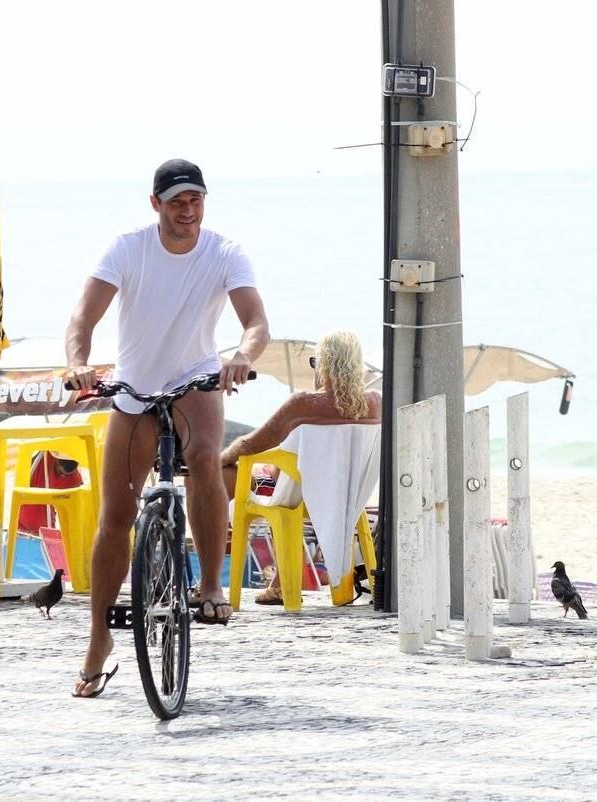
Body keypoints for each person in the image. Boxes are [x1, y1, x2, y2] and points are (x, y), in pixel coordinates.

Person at [64, 158, 270, 698]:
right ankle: (98, 639)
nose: (187, 209)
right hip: (133, 387)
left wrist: (241, 358)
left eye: (195, 199)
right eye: (176, 200)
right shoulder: (127, 249)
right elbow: (83, 318)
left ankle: (208, 585)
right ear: (155, 204)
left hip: (196, 379)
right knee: (115, 516)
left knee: (205, 456)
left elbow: (255, 322)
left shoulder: (224, 252)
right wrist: (77, 363)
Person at [219, 330, 382, 603]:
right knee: (285, 480)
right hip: (346, 497)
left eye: (315, 362)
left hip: (296, 494)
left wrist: (218, 460)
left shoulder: (305, 403)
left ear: (325, 364)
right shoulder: (375, 402)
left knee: (231, 475)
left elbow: (251, 444)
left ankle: (207, 581)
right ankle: (280, 584)